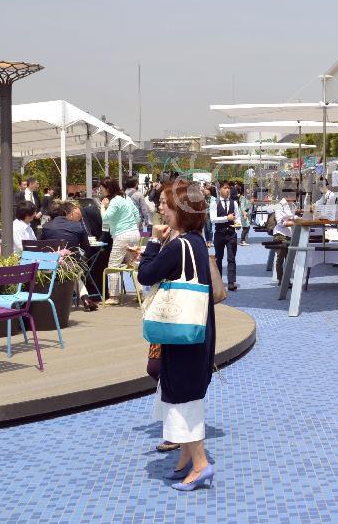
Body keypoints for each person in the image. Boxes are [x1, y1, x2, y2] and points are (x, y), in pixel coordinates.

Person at [135, 180, 216, 491]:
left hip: (181, 335)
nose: (161, 209)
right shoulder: (195, 242)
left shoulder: (178, 246)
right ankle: (185, 461)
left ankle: (200, 464)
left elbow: (146, 275)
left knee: (182, 398)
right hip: (196, 332)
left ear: (180, 211)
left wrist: (154, 244)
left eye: (166, 204)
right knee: (185, 394)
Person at [99, 177, 141, 305]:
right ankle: (140, 292)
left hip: (122, 236)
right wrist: (131, 225)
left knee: (113, 265)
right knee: (133, 264)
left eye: (101, 189)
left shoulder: (115, 201)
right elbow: (137, 215)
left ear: (107, 189)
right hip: (134, 233)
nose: (101, 192)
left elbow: (106, 218)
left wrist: (102, 206)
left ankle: (114, 297)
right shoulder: (125, 197)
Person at [209, 181, 239, 291]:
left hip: (231, 233)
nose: (228, 190)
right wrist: (227, 218)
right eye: (225, 188)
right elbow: (213, 219)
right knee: (219, 258)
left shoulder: (233, 203)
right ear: (220, 190)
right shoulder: (214, 203)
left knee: (231, 258)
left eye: (229, 188)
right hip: (219, 234)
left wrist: (238, 224)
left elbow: (237, 216)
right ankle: (218, 282)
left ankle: (231, 282)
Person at [271, 190, 297, 285]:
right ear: (287, 195)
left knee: (289, 258)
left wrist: (296, 219)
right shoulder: (279, 205)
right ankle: (281, 279)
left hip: (289, 234)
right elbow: (280, 222)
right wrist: (292, 223)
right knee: (280, 257)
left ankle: (286, 280)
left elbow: (293, 217)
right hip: (279, 234)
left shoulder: (293, 205)